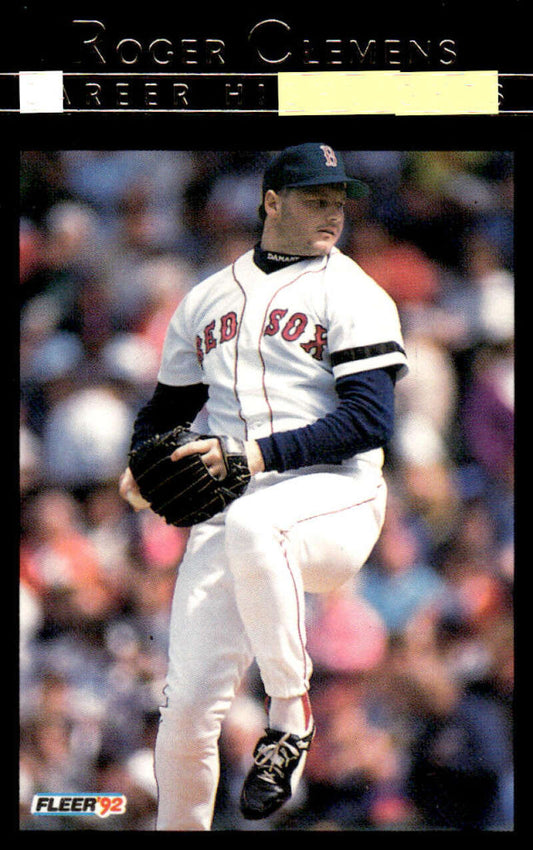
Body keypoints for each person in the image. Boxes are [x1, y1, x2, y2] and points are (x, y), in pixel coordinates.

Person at [119, 143, 409, 831]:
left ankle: (288, 715)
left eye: (338, 200)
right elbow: (166, 410)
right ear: (270, 202)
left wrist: (251, 455)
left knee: (259, 523)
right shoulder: (206, 297)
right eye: (315, 198)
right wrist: (139, 462)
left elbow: (369, 419)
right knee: (186, 706)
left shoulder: (354, 293)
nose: (331, 214)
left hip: (336, 498)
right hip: (238, 505)